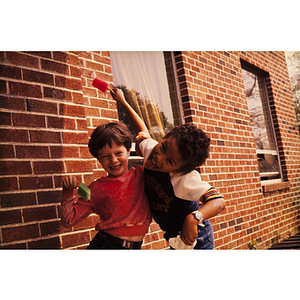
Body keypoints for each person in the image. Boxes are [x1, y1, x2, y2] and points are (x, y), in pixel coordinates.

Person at [111, 88, 226, 249]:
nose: (158, 157)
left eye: (170, 162)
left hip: (196, 238)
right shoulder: (152, 149)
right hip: (174, 237)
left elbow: (219, 201)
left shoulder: (183, 178)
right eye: (163, 147)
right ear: (163, 138)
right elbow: (142, 131)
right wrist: (123, 102)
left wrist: (193, 218)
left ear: (180, 169)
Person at [60, 111, 152, 249]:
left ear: (128, 150)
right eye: (106, 156)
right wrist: (68, 191)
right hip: (106, 245)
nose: (114, 160)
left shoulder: (143, 175)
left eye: (118, 153)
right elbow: (68, 220)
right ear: (99, 160)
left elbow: (152, 148)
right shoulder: (97, 189)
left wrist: (145, 141)